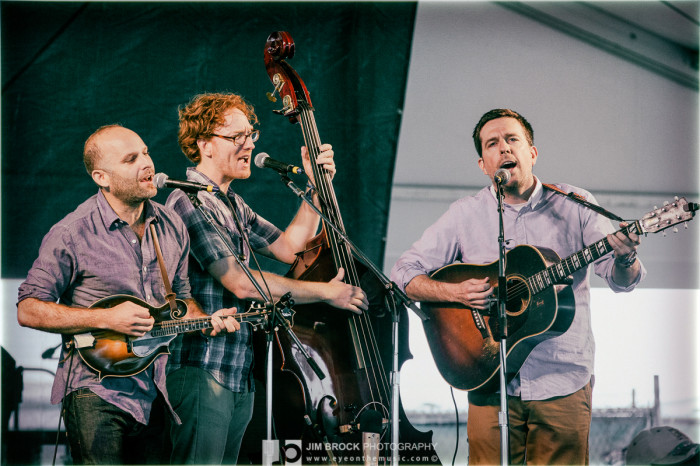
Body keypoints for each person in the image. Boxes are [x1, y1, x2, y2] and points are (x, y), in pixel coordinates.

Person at [390, 108, 646, 465]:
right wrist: (454, 292)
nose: (504, 149)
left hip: (561, 378)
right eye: (492, 144)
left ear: (532, 152)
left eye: (512, 140)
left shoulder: (575, 204)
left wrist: (624, 258)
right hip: (487, 378)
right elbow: (403, 271)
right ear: (483, 164)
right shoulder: (465, 214)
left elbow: (622, 282)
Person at [164, 92, 369, 465]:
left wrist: (317, 189)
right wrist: (327, 292)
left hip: (236, 372)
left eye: (251, 135)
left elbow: (292, 248)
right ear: (204, 144)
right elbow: (240, 281)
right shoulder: (187, 200)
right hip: (201, 370)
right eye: (236, 137)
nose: (249, 144)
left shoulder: (233, 203)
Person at [16, 124, 236, 464]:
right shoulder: (72, 232)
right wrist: (106, 318)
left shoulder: (171, 225)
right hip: (96, 391)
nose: (146, 163)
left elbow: (181, 300)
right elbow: (28, 309)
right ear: (102, 177)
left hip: (155, 389)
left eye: (146, 152)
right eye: (131, 159)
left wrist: (206, 321)